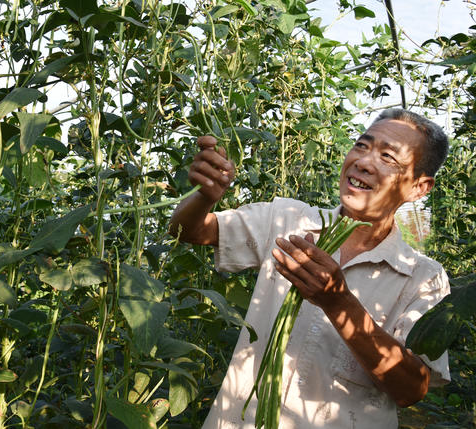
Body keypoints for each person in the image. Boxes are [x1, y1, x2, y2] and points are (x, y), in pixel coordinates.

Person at [169, 109, 451, 429]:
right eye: (362, 145)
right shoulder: (288, 219)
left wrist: (338, 302)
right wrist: (204, 197)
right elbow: (190, 231)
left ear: (419, 187)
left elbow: (411, 389)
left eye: (387, 157)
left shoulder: (423, 278)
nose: (363, 161)